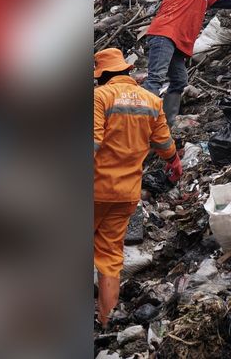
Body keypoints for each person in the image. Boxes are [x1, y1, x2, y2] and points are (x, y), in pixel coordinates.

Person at [93, 48, 179, 328]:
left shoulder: (100, 97)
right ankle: (106, 322)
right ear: (127, 71)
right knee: (109, 259)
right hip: (126, 195)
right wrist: (174, 162)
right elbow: (164, 144)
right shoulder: (152, 101)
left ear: (103, 76)